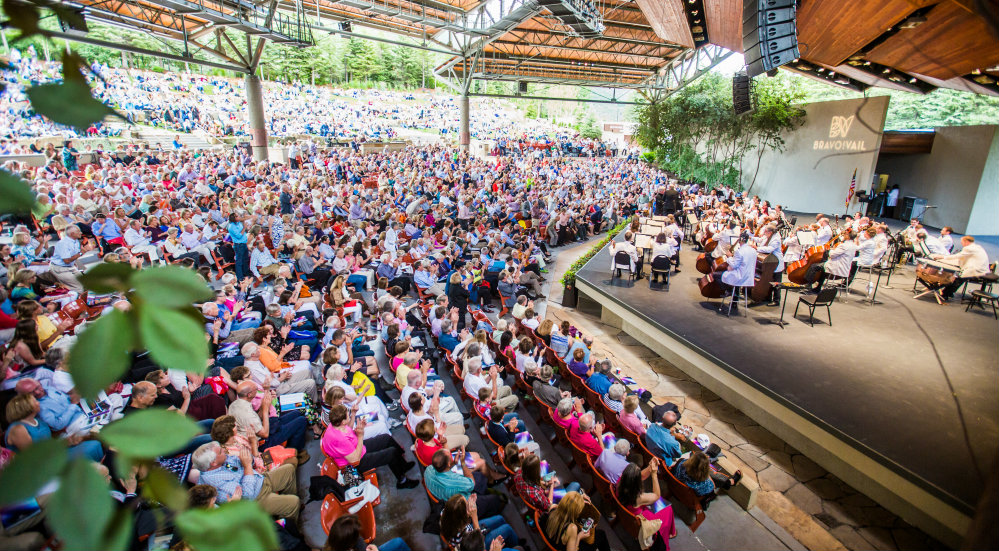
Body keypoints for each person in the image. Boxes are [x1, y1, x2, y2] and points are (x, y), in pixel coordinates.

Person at [192, 441, 300, 522]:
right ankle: (290, 531)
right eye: (220, 451)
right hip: (256, 499)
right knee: (294, 502)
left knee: (289, 469)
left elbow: (245, 461)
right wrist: (247, 466)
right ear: (213, 462)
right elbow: (247, 495)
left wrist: (247, 458)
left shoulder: (222, 461)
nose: (224, 450)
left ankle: (282, 509)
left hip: (260, 479)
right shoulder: (215, 485)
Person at [321, 404, 419, 489]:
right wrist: (360, 436)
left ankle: (402, 465)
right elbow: (355, 459)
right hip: (356, 462)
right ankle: (402, 482)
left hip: (356, 447)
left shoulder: (334, 424)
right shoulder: (339, 439)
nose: (350, 416)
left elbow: (348, 428)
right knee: (391, 453)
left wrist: (354, 414)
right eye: (348, 416)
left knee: (386, 438)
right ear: (342, 421)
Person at [4, 393, 103, 462]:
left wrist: (68, 441)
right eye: (34, 401)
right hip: (42, 463)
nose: (38, 403)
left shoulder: (38, 421)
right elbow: (33, 456)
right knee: (90, 449)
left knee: (95, 443)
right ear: (25, 407)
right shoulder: (18, 429)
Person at [616, 461, 675, 550]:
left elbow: (641, 476)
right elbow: (656, 495)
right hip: (640, 519)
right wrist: (654, 475)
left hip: (628, 511)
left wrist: (650, 466)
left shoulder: (620, 482)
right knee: (668, 509)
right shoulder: (638, 497)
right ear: (636, 483)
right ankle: (667, 534)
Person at [439, 494, 519, 551]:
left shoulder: (444, 513)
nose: (468, 502)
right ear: (464, 515)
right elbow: (478, 540)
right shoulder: (465, 531)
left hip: (473, 534)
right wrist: (474, 515)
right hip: (476, 544)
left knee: (500, 518)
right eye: (467, 503)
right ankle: (516, 546)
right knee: (507, 528)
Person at [542, 491, 610, 551]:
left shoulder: (553, 508)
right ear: (575, 512)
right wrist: (579, 537)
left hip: (554, 539)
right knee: (601, 534)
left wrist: (579, 499)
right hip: (565, 547)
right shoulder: (572, 528)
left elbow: (568, 504)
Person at [513, 453, 581, 512]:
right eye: (538, 467)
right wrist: (551, 485)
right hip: (549, 508)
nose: (540, 468)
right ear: (535, 472)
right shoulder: (535, 493)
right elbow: (549, 504)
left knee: (545, 464)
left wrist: (546, 484)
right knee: (576, 485)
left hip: (538, 496)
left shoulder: (518, 473)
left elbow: (533, 481)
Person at [672, 450, 742, 504]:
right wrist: (707, 475)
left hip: (676, 486)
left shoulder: (681, 463)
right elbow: (712, 487)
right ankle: (731, 482)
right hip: (687, 496)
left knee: (712, 474)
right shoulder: (701, 484)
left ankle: (728, 482)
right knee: (714, 477)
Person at [936, 235, 990, 301]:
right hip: (983, 269)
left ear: (966, 241)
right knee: (958, 277)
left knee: (958, 279)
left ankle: (945, 294)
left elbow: (957, 256)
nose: (961, 244)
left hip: (976, 270)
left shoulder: (969, 248)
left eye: (962, 242)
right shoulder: (977, 247)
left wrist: (943, 257)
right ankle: (949, 292)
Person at [325, 515, 412, 551]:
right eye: (357, 535)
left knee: (398, 542)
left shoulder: (334, 541)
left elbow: (360, 544)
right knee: (399, 542)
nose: (359, 536)